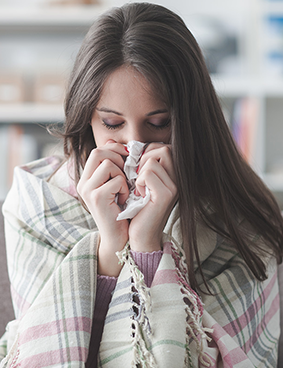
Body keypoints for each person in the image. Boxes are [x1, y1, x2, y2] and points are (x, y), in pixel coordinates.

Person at [0, 2, 282, 367]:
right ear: (87, 118)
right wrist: (109, 248)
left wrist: (148, 245)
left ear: (191, 119)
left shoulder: (240, 215)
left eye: (159, 123)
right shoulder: (38, 202)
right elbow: (52, 351)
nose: (135, 146)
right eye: (113, 125)